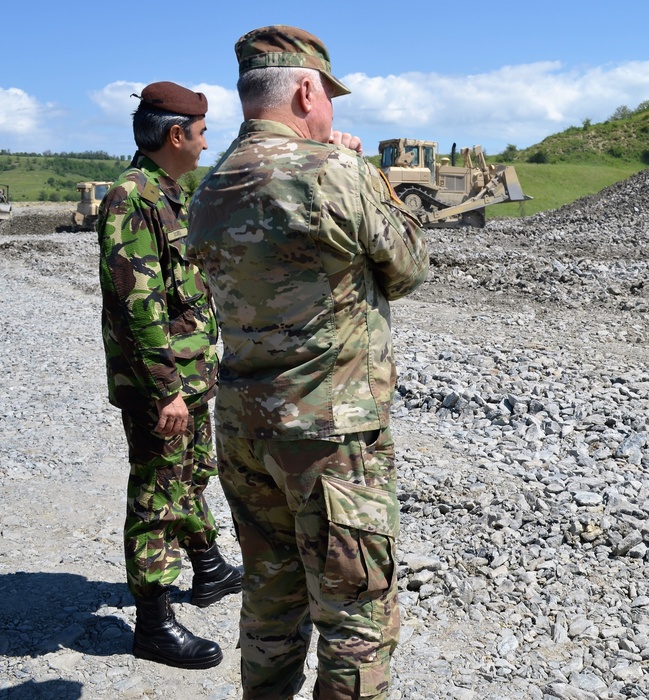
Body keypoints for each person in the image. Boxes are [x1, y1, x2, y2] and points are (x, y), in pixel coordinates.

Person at [187, 26, 429, 699]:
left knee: (270, 599)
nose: (331, 114)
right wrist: (367, 173)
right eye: (327, 98)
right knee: (356, 613)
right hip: (329, 438)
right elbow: (409, 268)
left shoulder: (212, 187)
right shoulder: (336, 171)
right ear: (303, 90)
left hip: (244, 430)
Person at [97, 81, 242, 670]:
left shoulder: (169, 193)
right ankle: (153, 626)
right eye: (203, 133)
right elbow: (137, 308)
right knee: (157, 495)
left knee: (192, 472)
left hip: (187, 379)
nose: (207, 145)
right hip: (165, 387)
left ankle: (207, 569)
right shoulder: (132, 198)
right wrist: (167, 391)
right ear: (177, 134)